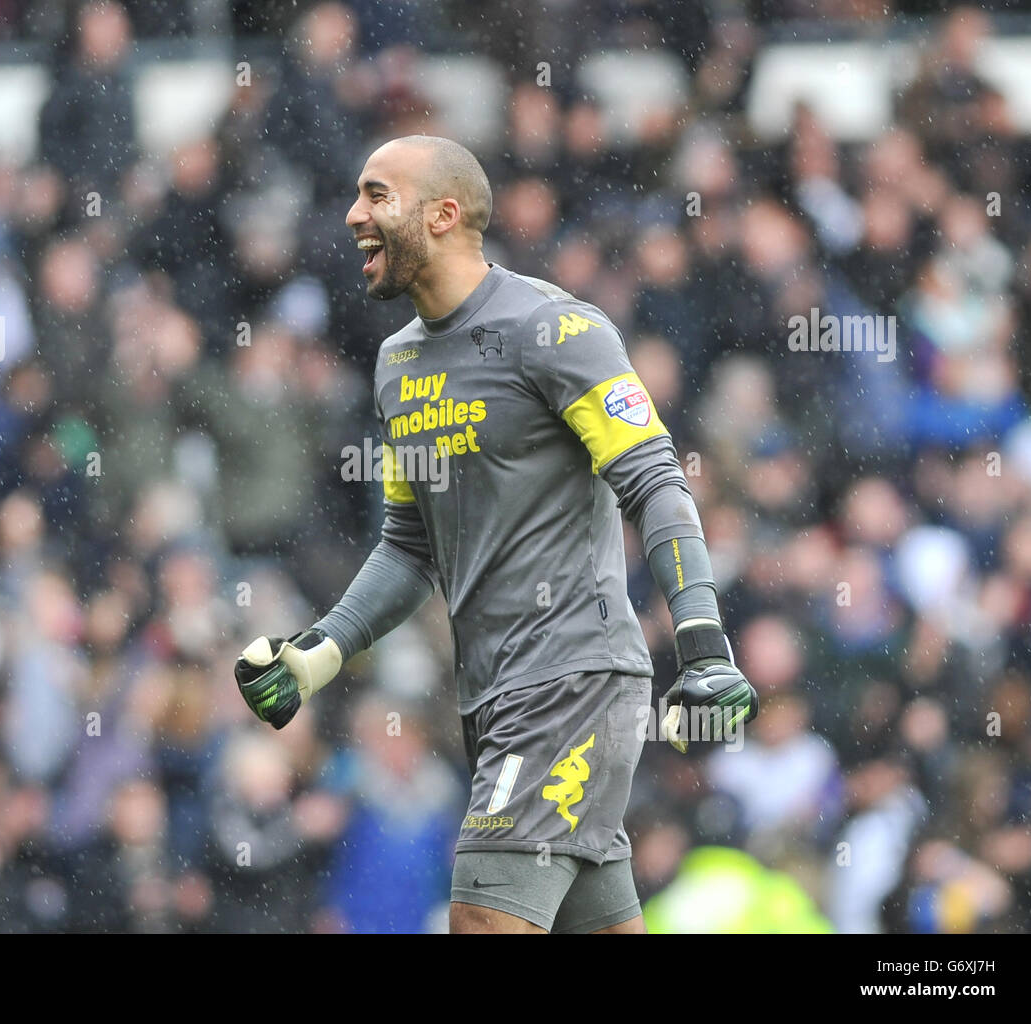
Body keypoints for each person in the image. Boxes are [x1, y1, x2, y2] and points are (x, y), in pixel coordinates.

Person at [233, 135, 759, 934]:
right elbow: (409, 546)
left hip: (568, 681)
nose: (352, 215)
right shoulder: (397, 364)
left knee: (480, 918)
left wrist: (704, 644)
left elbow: (656, 482)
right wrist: (317, 656)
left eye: (377, 195)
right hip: (492, 699)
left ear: (444, 215)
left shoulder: (556, 331)